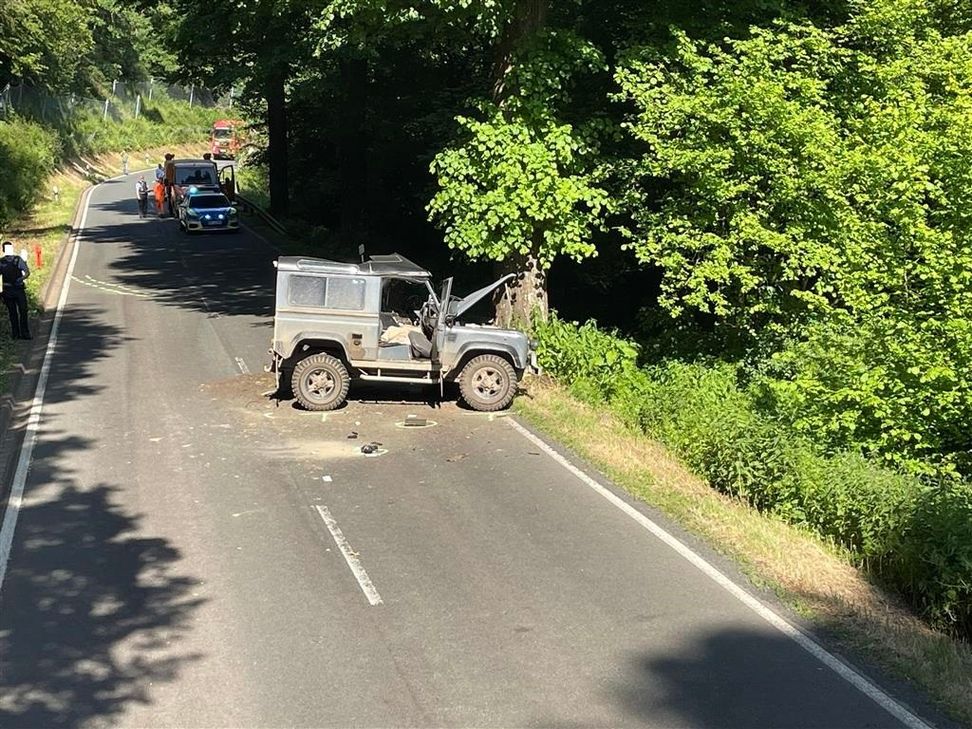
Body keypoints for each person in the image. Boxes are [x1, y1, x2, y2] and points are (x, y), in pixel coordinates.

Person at [0, 241, 31, 340]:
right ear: (4, 250)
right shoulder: (1, 262)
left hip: (18, 289)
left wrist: (21, 279)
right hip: (8, 290)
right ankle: (16, 334)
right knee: (13, 313)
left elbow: (27, 272)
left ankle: (24, 333)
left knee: (23, 311)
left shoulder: (18, 259)